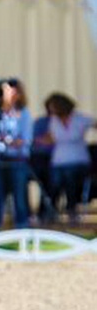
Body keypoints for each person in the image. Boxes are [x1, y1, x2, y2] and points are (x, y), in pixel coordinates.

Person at [0, 78, 32, 230]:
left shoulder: (23, 113)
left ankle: (22, 227)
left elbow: (26, 139)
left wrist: (9, 141)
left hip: (18, 160)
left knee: (19, 196)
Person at [46, 93, 97, 224]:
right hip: (58, 161)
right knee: (54, 183)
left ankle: (71, 210)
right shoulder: (53, 120)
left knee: (70, 180)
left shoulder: (79, 119)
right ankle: (51, 212)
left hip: (78, 160)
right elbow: (51, 138)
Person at [30, 94, 56, 222]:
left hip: (56, 159)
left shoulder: (62, 122)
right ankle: (41, 212)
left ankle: (49, 211)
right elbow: (33, 140)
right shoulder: (40, 122)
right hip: (39, 158)